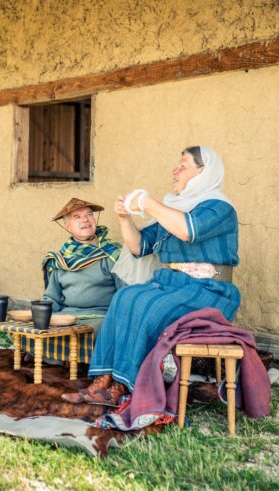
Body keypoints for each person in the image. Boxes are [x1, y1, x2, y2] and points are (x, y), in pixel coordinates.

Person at [61, 146, 240, 405]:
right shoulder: (176, 207)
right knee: (125, 297)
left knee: (147, 304)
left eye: (183, 164)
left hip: (210, 290)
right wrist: (124, 219)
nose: (175, 170)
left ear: (203, 172)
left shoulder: (219, 208)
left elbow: (189, 230)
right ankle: (102, 381)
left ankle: (123, 386)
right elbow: (139, 247)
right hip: (175, 284)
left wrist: (147, 203)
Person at [42, 198, 124, 336]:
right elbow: (52, 297)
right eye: (77, 217)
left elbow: (126, 294)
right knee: (34, 328)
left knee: (97, 331)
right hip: (66, 316)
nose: (85, 220)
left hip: (101, 316)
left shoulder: (112, 253)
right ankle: (52, 353)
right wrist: (40, 314)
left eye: (89, 214)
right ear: (68, 227)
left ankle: (54, 355)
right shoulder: (62, 258)